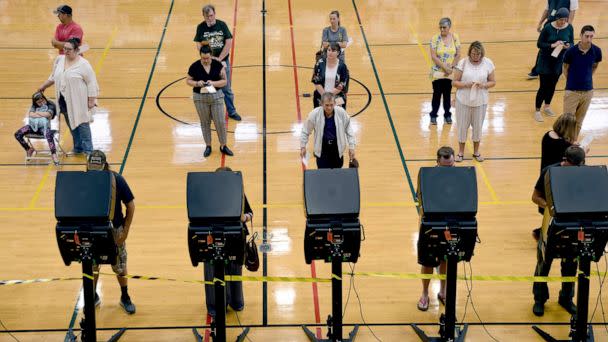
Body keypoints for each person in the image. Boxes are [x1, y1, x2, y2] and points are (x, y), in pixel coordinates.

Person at [531, 145, 584, 316]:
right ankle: (539, 299)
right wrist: (550, 207)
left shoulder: (581, 173)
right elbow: (535, 197)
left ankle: (566, 298)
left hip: (573, 225)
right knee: (543, 264)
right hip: (551, 225)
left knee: (571, 265)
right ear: (565, 160)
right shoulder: (549, 171)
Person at [87, 150, 136, 315]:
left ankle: (125, 296)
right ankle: (92, 296)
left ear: (104, 166)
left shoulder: (117, 179)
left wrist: (126, 231)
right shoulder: (84, 180)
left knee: (120, 266)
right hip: (92, 230)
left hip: (115, 230)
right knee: (92, 265)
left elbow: (131, 205)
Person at [204, 166, 252, 318]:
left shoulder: (238, 192)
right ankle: (216, 306)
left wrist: (244, 217)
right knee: (212, 272)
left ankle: (236, 301)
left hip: (235, 238)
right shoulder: (208, 195)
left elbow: (250, 213)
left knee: (235, 270)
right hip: (213, 238)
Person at [38, 37, 99, 156]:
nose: (65, 51)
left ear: (76, 50)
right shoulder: (59, 60)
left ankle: (89, 151)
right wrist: (43, 86)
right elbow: (53, 76)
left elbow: (92, 82)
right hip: (64, 101)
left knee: (82, 124)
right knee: (72, 123)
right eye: (64, 48)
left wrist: (91, 100)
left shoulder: (84, 64)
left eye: (69, 49)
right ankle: (78, 148)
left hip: (79, 101)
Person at [416, 146, 454, 311]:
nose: (448, 170)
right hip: (431, 225)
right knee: (428, 262)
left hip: (449, 223)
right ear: (437, 162)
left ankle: (443, 291)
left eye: (451, 166)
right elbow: (420, 198)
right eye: (445, 166)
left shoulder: (458, 176)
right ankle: (425, 293)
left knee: (445, 259)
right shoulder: (426, 176)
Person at [532, 113, 578, 241]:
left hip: (545, 175)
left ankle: (544, 230)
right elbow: (573, 154)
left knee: (547, 206)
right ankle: (545, 234)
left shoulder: (547, 136)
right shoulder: (564, 146)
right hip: (557, 179)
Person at [194, 4, 241, 121]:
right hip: (207, 64)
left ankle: (231, 111)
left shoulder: (222, 25)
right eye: (207, 16)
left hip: (222, 62)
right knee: (210, 88)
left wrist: (219, 59)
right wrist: (208, 58)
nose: (209, 18)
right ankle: (212, 113)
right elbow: (198, 44)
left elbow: (229, 42)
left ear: (214, 14)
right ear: (203, 16)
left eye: (211, 15)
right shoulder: (200, 27)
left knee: (226, 88)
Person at [452, 41, 496, 162]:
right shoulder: (463, 63)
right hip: (463, 101)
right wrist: (466, 84)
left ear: (482, 53)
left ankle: (476, 152)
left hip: (480, 102)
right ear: (470, 52)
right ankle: (460, 152)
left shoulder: (488, 63)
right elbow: (454, 82)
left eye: (478, 54)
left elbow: (493, 81)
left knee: (477, 127)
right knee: (462, 127)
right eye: (473, 54)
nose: (475, 56)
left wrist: (484, 85)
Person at [187, 44, 233, 157]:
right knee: (205, 122)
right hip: (200, 98)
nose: (206, 60)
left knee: (220, 122)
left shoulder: (218, 65)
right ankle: (208, 145)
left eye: (207, 58)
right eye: (203, 58)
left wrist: (213, 83)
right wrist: (197, 83)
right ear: (200, 56)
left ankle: (223, 145)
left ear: (211, 56)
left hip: (216, 97)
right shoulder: (194, 66)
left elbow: (224, 82)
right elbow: (188, 81)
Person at [534, 8, 574, 122]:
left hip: (558, 61)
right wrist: (552, 45)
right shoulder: (548, 28)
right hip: (545, 61)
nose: (563, 22)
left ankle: (547, 106)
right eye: (561, 20)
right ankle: (537, 110)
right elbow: (539, 44)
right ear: (556, 18)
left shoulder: (569, 27)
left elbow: (571, 42)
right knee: (543, 86)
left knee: (552, 85)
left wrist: (568, 46)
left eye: (565, 20)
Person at [563, 25, 602, 135]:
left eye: (591, 36)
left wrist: (587, 77)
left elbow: (594, 66)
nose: (589, 39)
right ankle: (565, 144)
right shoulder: (571, 51)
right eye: (586, 36)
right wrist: (571, 80)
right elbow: (565, 68)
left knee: (579, 121)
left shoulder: (597, 51)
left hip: (588, 92)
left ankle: (574, 142)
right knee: (567, 121)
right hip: (572, 91)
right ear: (580, 36)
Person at [301, 92, 356, 169]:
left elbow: (349, 130)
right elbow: (305, 131)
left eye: (331, 105)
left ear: (334, 103)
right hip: (322, 149)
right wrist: (303, 146)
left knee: (337, 174)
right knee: (323, 175)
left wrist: (352, 147)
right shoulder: (314, 114)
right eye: (326, 105)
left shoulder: (341, 112)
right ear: (321, 103)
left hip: (337, 149)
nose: (329, 108)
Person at [528, 0, 578, 79]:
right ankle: (536, 70)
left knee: (563, 48)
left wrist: (567, 27)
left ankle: (565, 70)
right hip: (550, 24)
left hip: (562, 25)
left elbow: (572, 11)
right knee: (543, 48)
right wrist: (540, 23)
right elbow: (547, 9)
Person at [428, 17, 460, 125]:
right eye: (440, 27)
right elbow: (433, 56)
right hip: (438, 72)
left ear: (449, 27)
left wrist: (451, 68)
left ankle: (447, 115)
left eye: (444, 27)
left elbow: (458, 54)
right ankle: (433, 115)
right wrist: (444, 68)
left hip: (450, 73)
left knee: (447, 94)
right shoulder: (434, 38)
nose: (442, 30)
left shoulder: (455, 38)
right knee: (436, 94)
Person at [14, 92, 59, 165]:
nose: (41, 103)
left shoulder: (50, 104)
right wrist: (42, 115)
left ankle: (53, 154)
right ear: (35, 102)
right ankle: (28, 149)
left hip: (44, 128)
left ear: (44, 98)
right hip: (33, 127)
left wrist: (37, 113)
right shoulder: (34, 105)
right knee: (17, 134)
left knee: (48, 134)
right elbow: (30, 114)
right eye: (39, 102)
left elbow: (48, 114)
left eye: (42, 101)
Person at [311, 43, 350, 109]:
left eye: (333, 51)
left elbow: (343, 83)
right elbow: (316, 81)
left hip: (338, 96)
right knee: (319, 117)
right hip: (321, 95)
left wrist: (330, 96)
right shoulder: (319, 63)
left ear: (338, 53)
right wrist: (324, 96)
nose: (330, 53)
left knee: (340, 115)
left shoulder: (342, 66)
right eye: (329, 50)